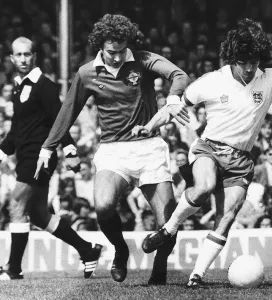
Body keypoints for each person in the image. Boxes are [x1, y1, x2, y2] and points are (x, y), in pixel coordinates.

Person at [132, 18, 272, 288]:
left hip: (241, 159)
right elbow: (173, 108)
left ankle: (196, 276)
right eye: (243, 61)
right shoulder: (212, 81)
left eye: (254, 61)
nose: (249, 68)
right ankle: (168, 229)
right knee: (204, 187)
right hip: (208, 148)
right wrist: (149, 127)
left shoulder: (270, 78)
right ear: (233, 58)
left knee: (226, 217)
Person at [34, 14, 190, 284]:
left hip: (149, 147)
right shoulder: (86, 73)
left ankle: (160, 267)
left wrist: (174, 97)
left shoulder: (142, 60)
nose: (117, 57)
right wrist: (48, 148)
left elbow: (178, 74)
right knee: (104, 206)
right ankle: (120, 250)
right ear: (99, 45)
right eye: (111, 52)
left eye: (121, 51)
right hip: (113, 150)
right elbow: (67, 112)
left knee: (168, 220)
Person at [0, 37, 102, 280]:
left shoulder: (44, 86)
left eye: (27, 54)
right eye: (19, 55)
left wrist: (69, 150)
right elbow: (15, 130)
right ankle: (88, 251)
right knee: (38, 215)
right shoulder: (17, 86)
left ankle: (13, 269)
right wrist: (2, 152)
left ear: (34, 56)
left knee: (16, 204)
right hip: (25, 155)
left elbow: (60, 119)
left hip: (39, 157)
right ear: (12, 59)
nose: (23, 59)